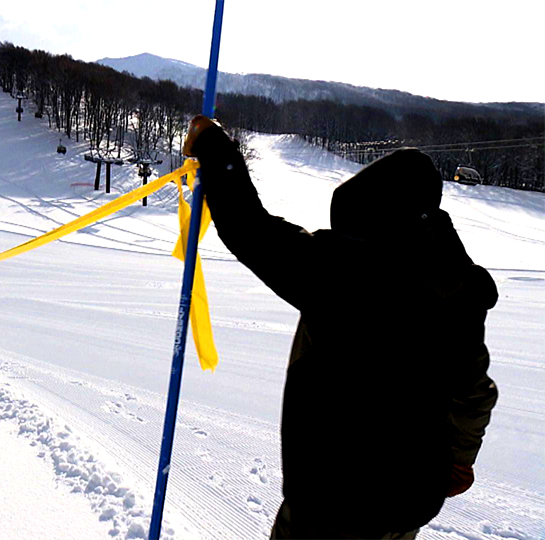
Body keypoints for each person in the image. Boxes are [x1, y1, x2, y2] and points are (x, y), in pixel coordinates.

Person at [183, 116, 498, 539]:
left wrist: (213, 146)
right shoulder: (457, 288)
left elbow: (250, 229)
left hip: (328, 506)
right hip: (404, 502)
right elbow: (474, 389)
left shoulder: (340, 273)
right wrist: (459, 458)